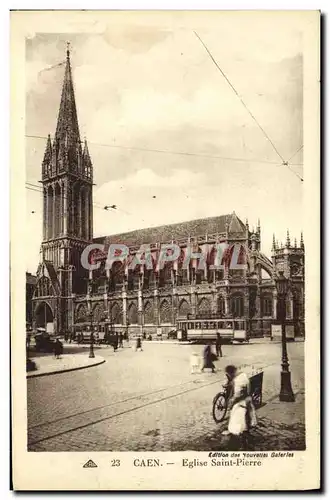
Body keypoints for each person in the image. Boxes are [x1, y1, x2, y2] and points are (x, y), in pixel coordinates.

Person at [224, 365, 257, 449]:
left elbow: (237, 395)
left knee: (237, 425)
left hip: (241, 405)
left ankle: (241, 444)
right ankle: (244, 438)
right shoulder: (243, 375)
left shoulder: (238, 381)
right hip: (248, 402)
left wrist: (231, 404)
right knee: (243, 423)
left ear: (230, 373)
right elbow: (249, 390)